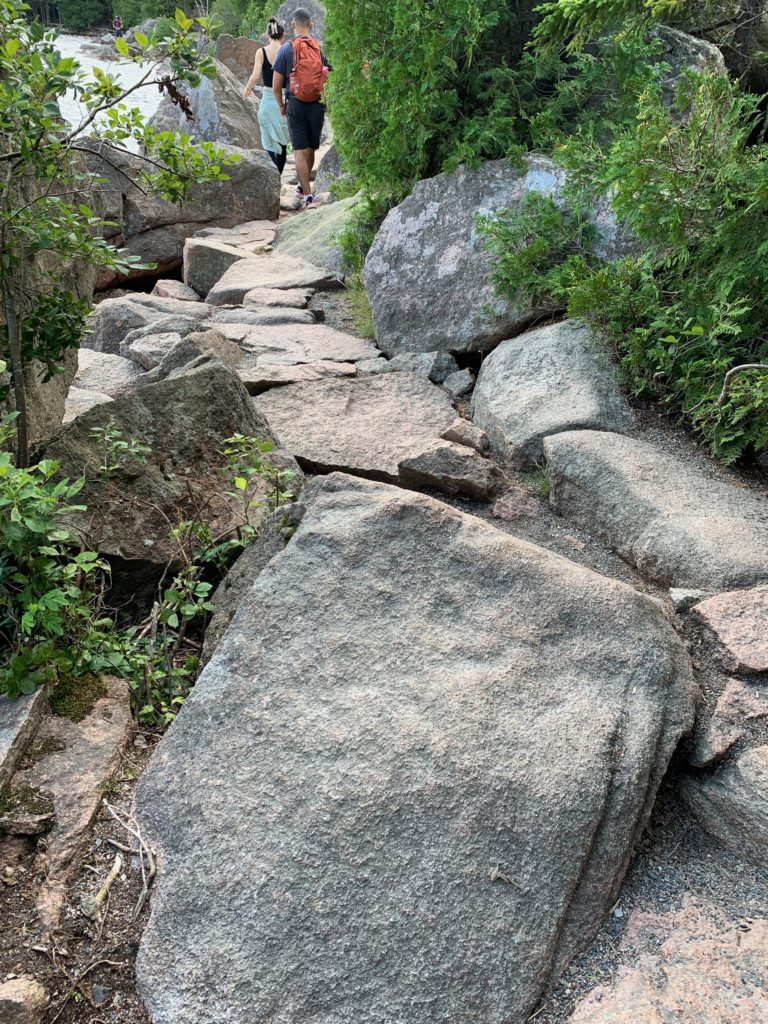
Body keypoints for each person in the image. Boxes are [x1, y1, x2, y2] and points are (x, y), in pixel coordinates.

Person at [271, 7, 329, 208]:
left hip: (295, 103)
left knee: (298, 151)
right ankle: (303, 189)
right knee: (311, 148)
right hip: (317, 104)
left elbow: (276, 85)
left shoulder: (286, 49)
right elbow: (328, 74)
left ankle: (307, 196)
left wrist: (281, 105)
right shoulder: (317, 48)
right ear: (311, 25)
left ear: (293, 25)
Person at [244, 18, 291, 175]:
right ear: (282, 35)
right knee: (282, 142)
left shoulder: (261, 52)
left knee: (268, 142)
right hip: (284, 102)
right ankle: (278, 176)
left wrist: (247, 89)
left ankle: (272, 178)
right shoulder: (288, 51)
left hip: (268, 101)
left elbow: (255, 76)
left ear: (267, 35)